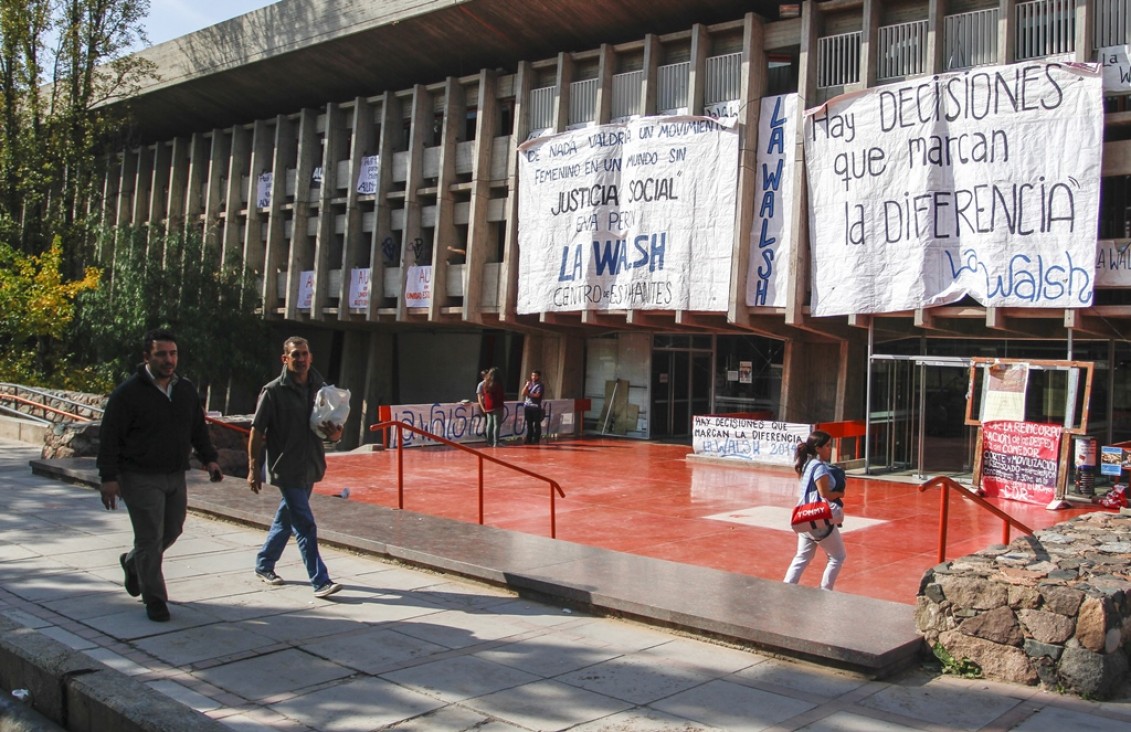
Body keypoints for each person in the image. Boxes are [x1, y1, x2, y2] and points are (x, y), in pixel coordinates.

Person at [98, 329, 222, 622]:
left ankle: (132, 564)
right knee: (149, 537)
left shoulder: (185, 389)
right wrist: (108, 478)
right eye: (161, 354)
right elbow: (109, 438)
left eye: (173, 353)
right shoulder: (127, 394)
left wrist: (210, 459)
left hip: (175, 474)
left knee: (172, 529)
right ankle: (154, 599)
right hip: (138, 475)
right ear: (146, 357)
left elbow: (197, 429)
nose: (169, 360)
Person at [247, 336, 344, 598]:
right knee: (305, 523)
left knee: (286, 518)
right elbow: (257, 430)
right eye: (295, 355)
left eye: (304, 354)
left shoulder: (321, 389)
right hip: (286, 467)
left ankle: (264, 564)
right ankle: (320, 580)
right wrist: (253, 466)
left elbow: (332, 428)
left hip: (310, 465)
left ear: (310, 357)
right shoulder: (274, 391)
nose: (300, 359)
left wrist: (335, 435)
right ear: (285, 359)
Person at [783, 430, 847, 591]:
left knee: (802, 557)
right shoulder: (819, 467)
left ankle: (786, 588)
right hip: (818, 519)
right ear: (818, 448)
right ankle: (826, 591)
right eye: (827, 446)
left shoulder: (806, 465)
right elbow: (824, 493)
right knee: (837, 557)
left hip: (803, 518)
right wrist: (839, 493)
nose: (829, 449)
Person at [477, 366, 505, 446]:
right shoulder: (497, 384)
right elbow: (500, 395)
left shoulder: (485, 384)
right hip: (497, 405)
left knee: (489, 424)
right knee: (497, 425)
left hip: (488, 406)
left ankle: (489, 442)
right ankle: (496, 442)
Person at [521, 370, 545, 444]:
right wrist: (526, 385)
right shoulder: (530, 384)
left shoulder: (540, 385)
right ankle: (529, 438)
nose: (533, 377)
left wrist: (528, 394)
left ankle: (536, 439)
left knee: (537, 424)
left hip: (535, 407)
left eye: (535, 376)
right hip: (528, 407)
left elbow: (537, 395)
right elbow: (522, 393)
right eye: (532, 376)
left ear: (538, 376)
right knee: (529, 423)